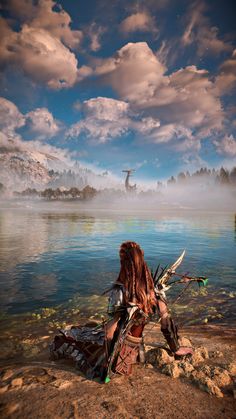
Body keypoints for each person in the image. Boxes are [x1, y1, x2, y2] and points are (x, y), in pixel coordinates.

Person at [50, 241, 193, 380]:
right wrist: (175, 349)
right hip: (135, 348)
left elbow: (109, 333)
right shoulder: (154, 291)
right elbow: (165, 320)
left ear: (124, 263)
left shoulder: (120, 291)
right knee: (89, 328)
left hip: (118, 354)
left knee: (67, 336)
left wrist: (106, 364)